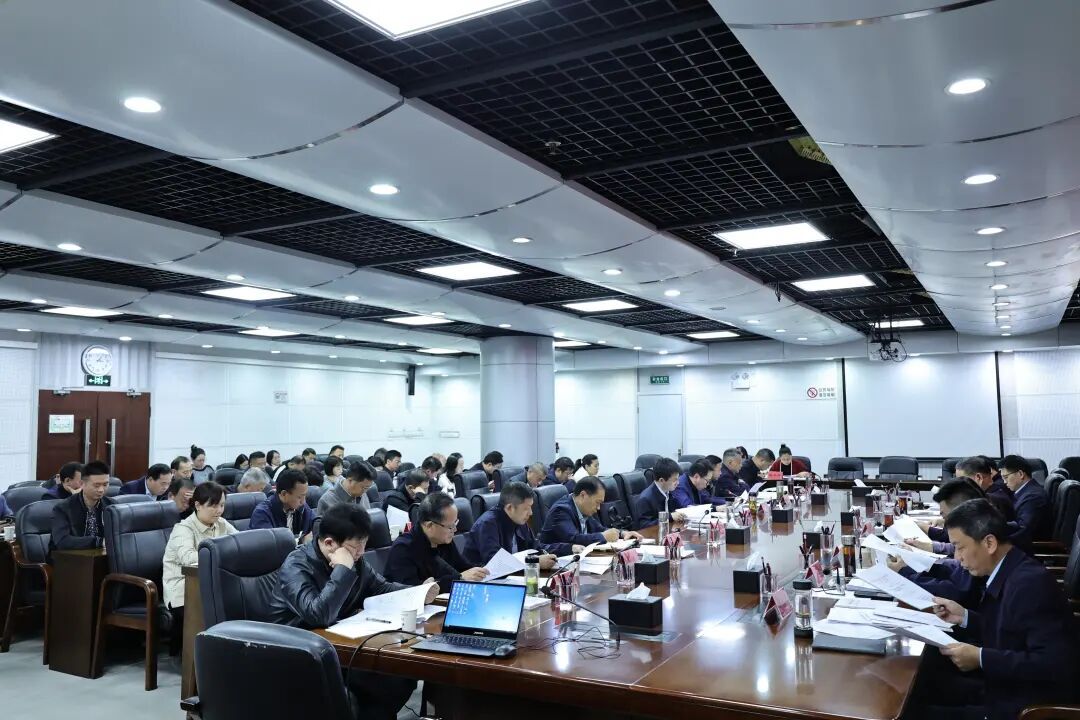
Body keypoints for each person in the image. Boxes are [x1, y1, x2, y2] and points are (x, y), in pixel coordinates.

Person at [267, 504, 436, 720]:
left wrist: (419, 593)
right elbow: (318, 615)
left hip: (342, 644)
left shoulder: (355, 559)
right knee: (381, 682)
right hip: (301, 650)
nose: (361, 553)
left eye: (364, 544)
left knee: (399, 674)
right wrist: (342, 570)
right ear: (330, 543)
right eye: (355, 547)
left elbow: (381, 588)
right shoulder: (296, 566)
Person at [918, 499, 1075, 720]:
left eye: (960, 547)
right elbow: (1011, 632)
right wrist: (964, 617)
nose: (957, 557)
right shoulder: (1010, 569)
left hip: (1025, 707)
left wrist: (981, 658)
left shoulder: (1029, 585)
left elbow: (1053, 664)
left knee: (919, 710)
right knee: (926, 684)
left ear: (989, 543)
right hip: (1003, 686)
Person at [161, 481, 235, 655]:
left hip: (211, 584)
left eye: (222, 505)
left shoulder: (221, 523)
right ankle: (200, 658)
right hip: (183, 588)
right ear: (198, 505)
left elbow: (240, 544)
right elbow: (188, 558)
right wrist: (221, 554)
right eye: (213, 506)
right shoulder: (183, 529)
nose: (219, 510)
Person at [888, 479, 986, 603]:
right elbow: (954, 570)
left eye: (945, 516)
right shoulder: (975, 532)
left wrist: (905, 573)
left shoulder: (978, 541)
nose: (943, 522)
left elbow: (958, 592)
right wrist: (912, 565)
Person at [386, 492, 489, 592]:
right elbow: (411, 591)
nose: (455, 530)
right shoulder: (402, 549)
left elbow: (462, 567)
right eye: (450, 526)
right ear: (429, 525)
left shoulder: (444, 540)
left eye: (455, 523)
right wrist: (459, 579)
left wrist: (481, 571)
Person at [464, 482, 580, 568]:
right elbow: (496, 563)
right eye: (526, 508)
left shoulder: (519, 520)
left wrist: (569, 548)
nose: (531, 513)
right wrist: (534, 561)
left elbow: (536, 547)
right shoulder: (487, 524)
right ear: (510, 507)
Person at [541, 477, 643, 546]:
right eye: (597, 502)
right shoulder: (561, 510)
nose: (598, 508)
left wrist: (622, 533)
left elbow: (599, 529)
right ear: (583, 495)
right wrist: (603, 537)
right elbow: (573, 539)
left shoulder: (583, 509)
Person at [50, 460, 113, 554]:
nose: (101, 490)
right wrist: (99, 542)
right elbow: (62, 541)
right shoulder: (63, 508)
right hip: (70, 558)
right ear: (82, 484)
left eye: (105, 484)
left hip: (103, 556)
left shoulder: (111, 505)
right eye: (96, 485)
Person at [998, 454, 1051, 548]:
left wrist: (998, 538)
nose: (1004, 482)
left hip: (1032, 548)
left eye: (1006, 477)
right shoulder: (1026, 491)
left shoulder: (1033, 497)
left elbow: (1023, 529)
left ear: (1020, 474)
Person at [250, 468, 314, 541]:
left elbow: (316, 522)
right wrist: (301, 541)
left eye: (305, 496)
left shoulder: (300, 506)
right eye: (299, 497)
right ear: (284, 494)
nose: (303, 501)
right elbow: (269, 543)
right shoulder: (262, 513)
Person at [634, 458, 689, 529]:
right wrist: (669, 517)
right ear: (662, 480)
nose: (678, 483)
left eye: (678, 479)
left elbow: (678, 510)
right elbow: (644, 526)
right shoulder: (645, 499)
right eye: (674, 480)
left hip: (669, 531)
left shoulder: (669, 491)